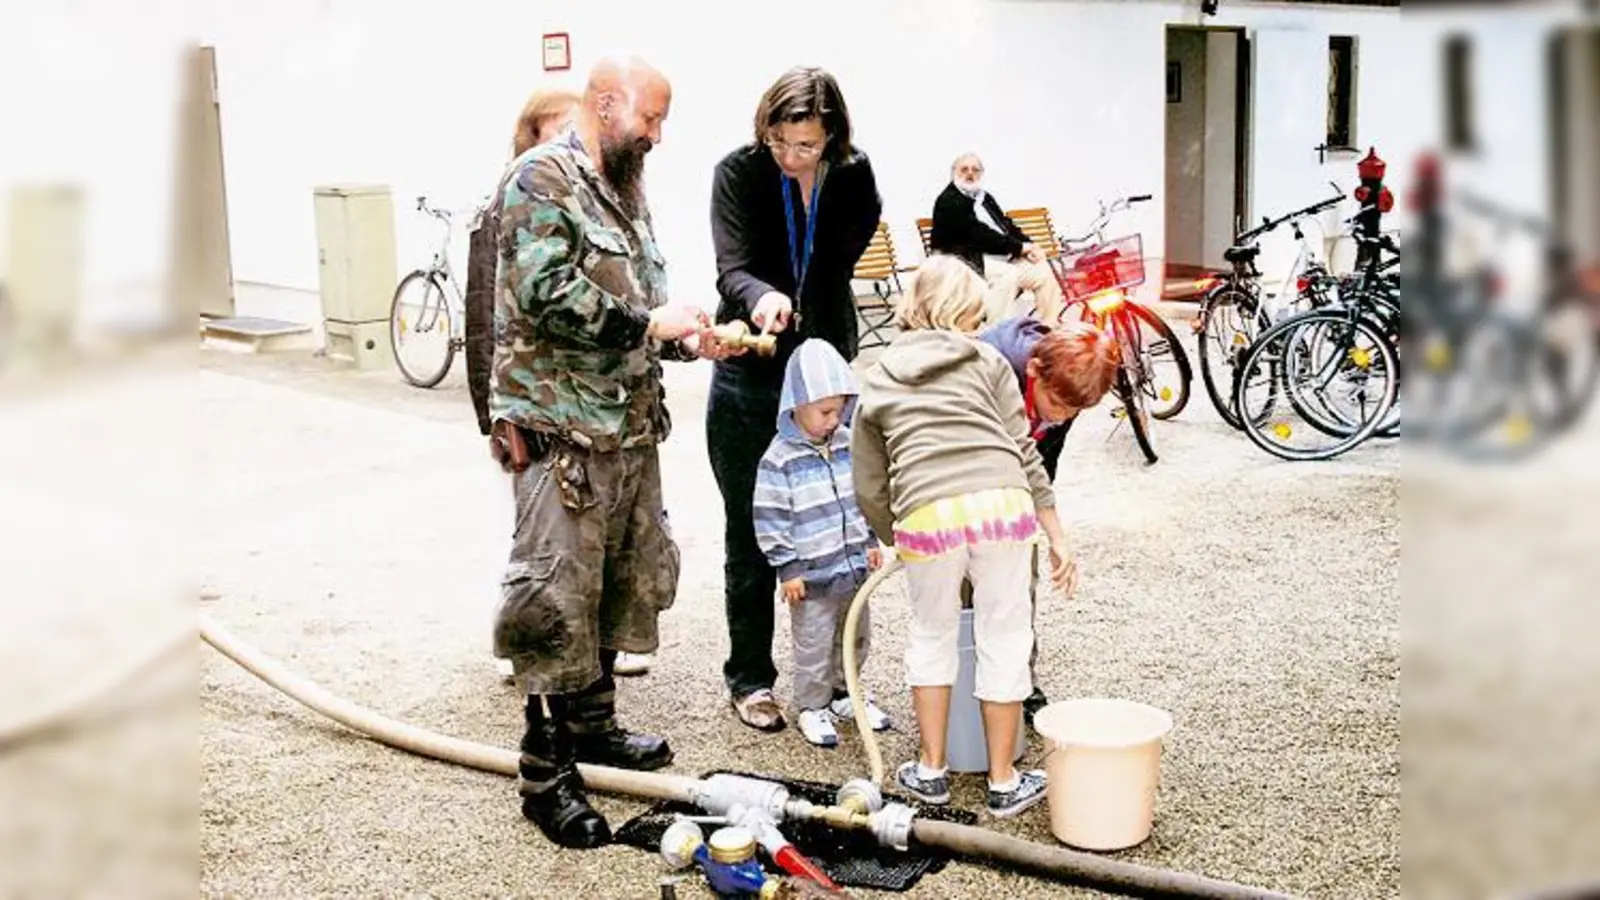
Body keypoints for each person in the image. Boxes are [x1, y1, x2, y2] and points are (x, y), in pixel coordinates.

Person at [488, 55, 738, 850]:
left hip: (627, 428)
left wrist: (692, 338)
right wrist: (645, 326)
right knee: (553, 599)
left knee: (613, 587)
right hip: (561, 434)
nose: (658, 136)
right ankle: (545, 773)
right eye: (651, 120)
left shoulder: (625, 190)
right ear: (606, 105)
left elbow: (640, 302)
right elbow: (546, 293)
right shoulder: (540, 180)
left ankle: (593, 729)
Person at [851, 254, 1078, 819]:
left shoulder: (878, 377)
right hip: (1003, 506)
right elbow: (1024, 451)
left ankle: (930, 772)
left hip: (927, 513)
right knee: (1005, 637)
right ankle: (1004, 782)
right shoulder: (987, 359)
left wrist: (894, 532)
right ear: (965, 313)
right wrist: (1056, 535)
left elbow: (869, 479)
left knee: (932, 636)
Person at [707, 66, 883, 733]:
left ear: (831, 134)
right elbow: (733, 263)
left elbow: (845, 254)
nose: (789, 156)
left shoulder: (855, 174)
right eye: (778, 140)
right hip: (752, 371)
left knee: (842, 519)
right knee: (753, 531)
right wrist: (764, 298)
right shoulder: (738, 172)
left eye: (804, 146)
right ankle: (750, 678)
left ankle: (834, 679)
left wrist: (810, 300)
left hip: (827, 367)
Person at [472, 87, 582, 686]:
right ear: (530, 137)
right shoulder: (510, 205)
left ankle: (576, 655)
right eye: (557, 129)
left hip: (579, 408)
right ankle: (527, 655)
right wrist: (493, 412)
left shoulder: (586, 205)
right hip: (529, 404)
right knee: (536, 545)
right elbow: (484, 314)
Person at [976, 317, 1120, 724]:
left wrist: (1039, 521)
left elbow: (1043, 460)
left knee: (1020, 583)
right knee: (967, 586)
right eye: (1057, 406)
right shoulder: (992, 365)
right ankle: (966, 682)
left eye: (1073, 412)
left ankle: (1018, 681)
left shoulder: (1072, 387)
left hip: (1018, 487)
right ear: (1035, 372)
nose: (1060, 417)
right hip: (967, 477)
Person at [752, 338, 890, 747]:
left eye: (841, 409)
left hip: (853, 567)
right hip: (810, 576)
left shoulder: (849, 444)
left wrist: (870, 538)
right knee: (813, 643)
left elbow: (863, 495)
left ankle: (844, 693)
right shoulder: (779, 460)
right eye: (825, 411)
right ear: (795, 405)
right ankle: (812, 706)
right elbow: (770, 517)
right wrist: (787, 567)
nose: (834, 419)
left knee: (855, 634)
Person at [929, 153, 1066, 324]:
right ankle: (998, 333)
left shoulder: (984, 198)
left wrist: (1029, 245)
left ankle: (1048, 328)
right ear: (953, 173)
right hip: (965, 263)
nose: (970, 174)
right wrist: (1019, 248)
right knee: (1007, 275)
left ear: (982, 174)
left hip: (1000, 258)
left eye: (975, 170)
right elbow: (978, 234)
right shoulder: (949, 201)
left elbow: (1006, 226)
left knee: (1042, 270)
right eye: (964, 169)